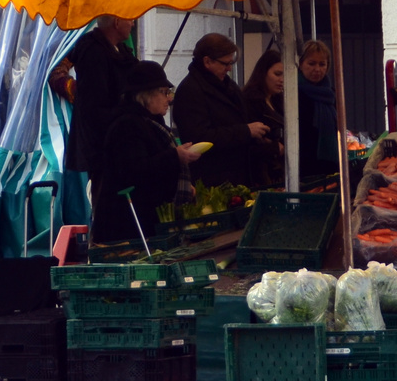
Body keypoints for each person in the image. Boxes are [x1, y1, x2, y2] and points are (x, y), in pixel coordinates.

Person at [89, 61, 203, 243]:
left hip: (146, 221)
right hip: (129, 226)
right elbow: (133, 170)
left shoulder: (152, 123)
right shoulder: (127, 125)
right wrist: (176, 156)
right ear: (147, 95)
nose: (169, 98)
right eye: (164, 92)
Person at [170, 33, 272, 187]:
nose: (229, 68)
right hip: (213, 180)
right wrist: (245, 131)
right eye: (225, 64)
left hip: (238, 175)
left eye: (231, 63)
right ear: (207, 61)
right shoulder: (190, 91)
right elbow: (199, 138)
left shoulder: (225, 84)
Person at [63, 14, 139, 177]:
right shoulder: (93, 52)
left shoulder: (121, 51)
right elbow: (96, 106)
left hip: (117, 141)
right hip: (102, 147)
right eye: (130, 18)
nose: (133, 23)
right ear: (117, 22)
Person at [296, 40, 340, 181]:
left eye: (322, 64)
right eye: (311, 63)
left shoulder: (331, 94)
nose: (317, 69)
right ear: (300, 64)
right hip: (303, 166)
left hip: (329, 166)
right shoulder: (293, 93)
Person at [243, 48, 287, 188]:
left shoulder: (277, 100)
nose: (282, 80)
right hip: (260, 175)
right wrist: (274, 147)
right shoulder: (250, 101)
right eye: (277, 74)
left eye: (285, 75)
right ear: (263, 73)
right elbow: (247, 146)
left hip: (277, 172)